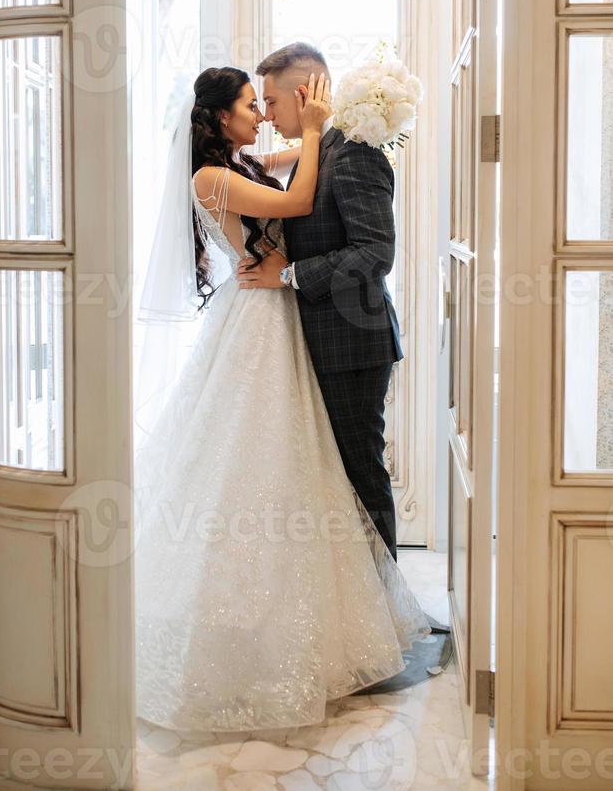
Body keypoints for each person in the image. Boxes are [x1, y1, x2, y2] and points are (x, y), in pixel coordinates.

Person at [134, 65, 430, 734]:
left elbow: (301, 167)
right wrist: (319, 127)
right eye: (250, 103)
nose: (262, 113)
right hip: (259, 317)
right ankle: (247, 620)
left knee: (312, 468)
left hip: (281, 313)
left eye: (268, 99)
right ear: (217, 117)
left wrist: (332, 125)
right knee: (254, 467)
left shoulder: (243, 160)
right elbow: (296, 203)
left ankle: (350, 613)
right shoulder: (211, 177)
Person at [238, 42, 403, 563]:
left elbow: (375, 252)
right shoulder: (318, 150)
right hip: (328, 342)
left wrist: (287, 274)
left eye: (271, 101)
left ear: (304, 93)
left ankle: (387, 603)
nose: (265, 114)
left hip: (352, 345)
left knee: (361, 473)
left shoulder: (353, 152)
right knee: (338, 478)